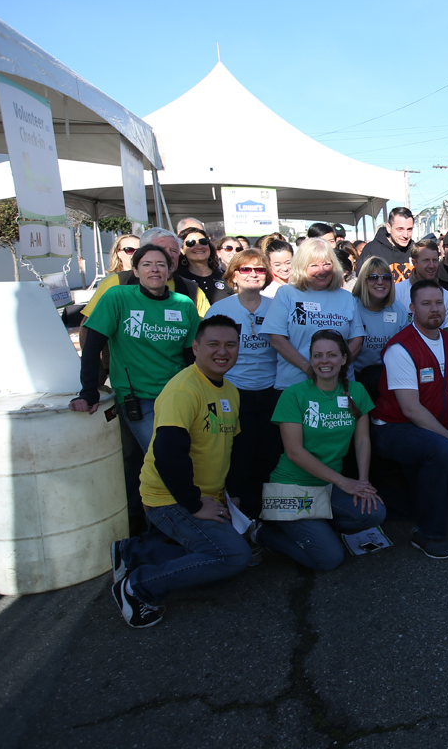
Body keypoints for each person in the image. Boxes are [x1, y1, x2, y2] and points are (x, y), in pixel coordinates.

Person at [108, 315, 250, 628]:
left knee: (227, 552)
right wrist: (196, 505)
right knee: (233, 557)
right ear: (195, 347)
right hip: (170, 497)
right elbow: (167, 455)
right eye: (213, 344)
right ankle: (138, 587)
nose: (222, 351)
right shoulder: (184, 390)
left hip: (206, 493)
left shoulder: (230, 390)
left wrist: (233, 495)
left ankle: (134, 552)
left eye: (230, 344)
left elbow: (234, 446)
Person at [72, 244, 201, 532]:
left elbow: (191, 356)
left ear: (170, 270)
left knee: (182, 458)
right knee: (161, 459)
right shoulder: (118, 296)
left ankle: (174, 524)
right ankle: (170, 526)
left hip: (178, 398)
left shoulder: (183, 304)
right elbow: (93, 346)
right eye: (146, 264)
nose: (154, 269)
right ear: (135, 271)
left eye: (161, 264)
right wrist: (88, 390)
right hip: (137, 398)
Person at [251, 331, 383, 571]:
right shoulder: (294, 394)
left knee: (374, 513)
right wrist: (344, 482)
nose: (325, 361)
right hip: (290, 488)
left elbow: (362, 441)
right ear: (311, 359)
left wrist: (363, 483)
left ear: (344, 359)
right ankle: (263, 533)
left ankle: (315, 527)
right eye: (318, 355)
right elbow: (294, 452)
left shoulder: (357, 391)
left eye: (332, 355)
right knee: (329, 559)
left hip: (327, 488)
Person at [371, 280, 448, 559]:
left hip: (428, 423)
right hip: (393, 428)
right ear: (412, 308)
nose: (434, 309)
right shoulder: (401, 347)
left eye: (438, 303)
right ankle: (427, 534)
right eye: (426, 304)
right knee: (443, 449)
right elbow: (410, 409)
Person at [205, 249, 282, 518]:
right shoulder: (220, 309)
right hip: (234, 392)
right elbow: (208, 352)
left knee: (270, 456)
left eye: (259, 269)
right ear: (234, 275)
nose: (253, 274)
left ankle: (270, 516)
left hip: (272, 391)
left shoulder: (276, 306)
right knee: (239, 457)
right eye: (245, 269)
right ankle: (242, 517)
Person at [261, 238, 365, 391]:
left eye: (327, 264)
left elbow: (357, 339)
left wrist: (335, 368)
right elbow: (276, 339)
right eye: (314, 265)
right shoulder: (287, 294)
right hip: (294, 386)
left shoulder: (346, 297)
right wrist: (309, 369)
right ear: (302, 267)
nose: (321, 270)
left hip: (338, 386)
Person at [80, 227, 211, 321]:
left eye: (173, 250)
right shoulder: (116, 283)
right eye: (161, 249)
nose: (168, 255)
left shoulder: (192, 290)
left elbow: (207, 330)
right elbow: (89, 328)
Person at [349, 256, 406, 401]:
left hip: (391, 378)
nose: (380, 282)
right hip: (357, 378)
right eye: (373, 277)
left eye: (386, 278)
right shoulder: (351, 307)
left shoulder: (398, 310)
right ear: (363, 280)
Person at [393, 239, 448, 333]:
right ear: (414, 263)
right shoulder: (397, 291)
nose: (431, 265)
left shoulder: (444, 294)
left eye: (435, 260)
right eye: (426, 260)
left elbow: (447, 332)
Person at [358, 207, 415, 283]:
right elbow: (362, 281)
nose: (405, 235)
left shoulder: (416, 250)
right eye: (400, 229)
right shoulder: (372, 250)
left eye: (409, 229)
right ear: (388, 228)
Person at [176, 226, 231, 305]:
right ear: (181, 250)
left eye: (203, 241)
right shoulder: (177, 278)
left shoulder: (225, 278)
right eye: (191, 243)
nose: (199, 247)